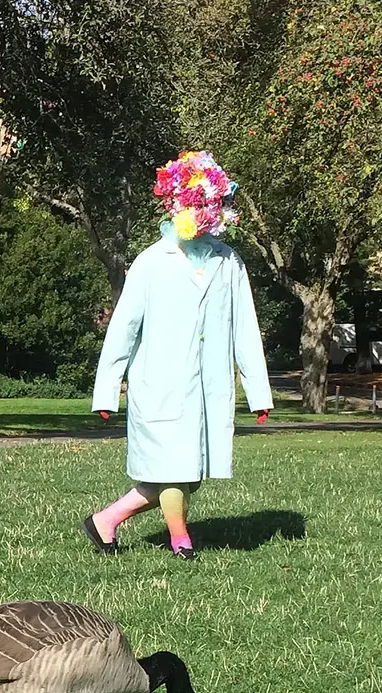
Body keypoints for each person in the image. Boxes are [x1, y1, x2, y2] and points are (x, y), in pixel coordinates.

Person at [85, 151, 273, 560]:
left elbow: (245, 329)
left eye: (210, 204)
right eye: (196, 203)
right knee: (172, 469)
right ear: (174, 203)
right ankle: (181, 541)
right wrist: (106, 392)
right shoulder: (151, 263)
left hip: (207, 390)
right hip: (160, 386)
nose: (204, 211)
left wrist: (259, 393)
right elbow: (122, 331)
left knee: (190, 475)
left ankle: (106, 520)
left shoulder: (228, 262)